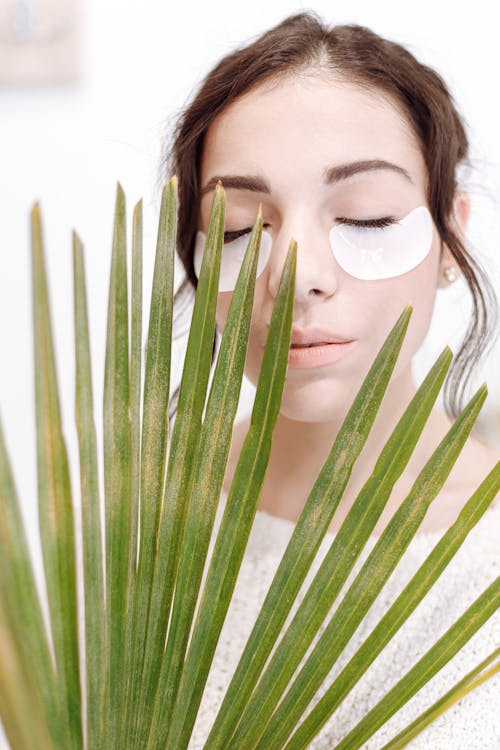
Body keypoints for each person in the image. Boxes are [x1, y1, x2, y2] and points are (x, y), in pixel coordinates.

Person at [163, 11, 500, 747]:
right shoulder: (145, 522)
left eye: (367, 218)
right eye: (240, 229)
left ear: (451, 239)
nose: (295, 276)